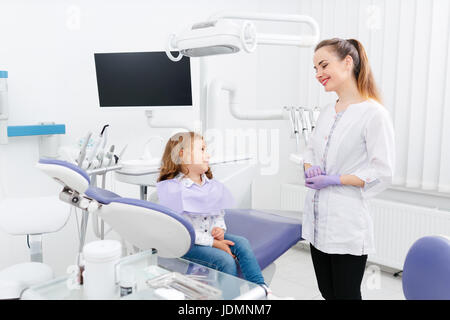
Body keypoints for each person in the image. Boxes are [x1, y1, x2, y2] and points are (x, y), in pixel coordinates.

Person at [303, 38, 395, 300]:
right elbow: (310, 150)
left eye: (323, 65)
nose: (319, 74)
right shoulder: (326, 111)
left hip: (346, 223)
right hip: (317, 220)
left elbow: (382, 170)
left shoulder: (373, 114)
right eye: (315, 69)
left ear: (347, 62)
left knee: (345, 294)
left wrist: (334, 179)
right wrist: (310, 167)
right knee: (327, 292)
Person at [156, 131, 290, 299]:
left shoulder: (209, 185)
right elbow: (182, 229)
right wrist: (214, 243)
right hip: (188, 244)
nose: (208, 155)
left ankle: (261, 290)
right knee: (225, 261)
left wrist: (219, 228)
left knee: (242, 243)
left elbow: (218, 214)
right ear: (183, 155)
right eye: (202, 150)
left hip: (209, 237)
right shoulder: (175, 190)